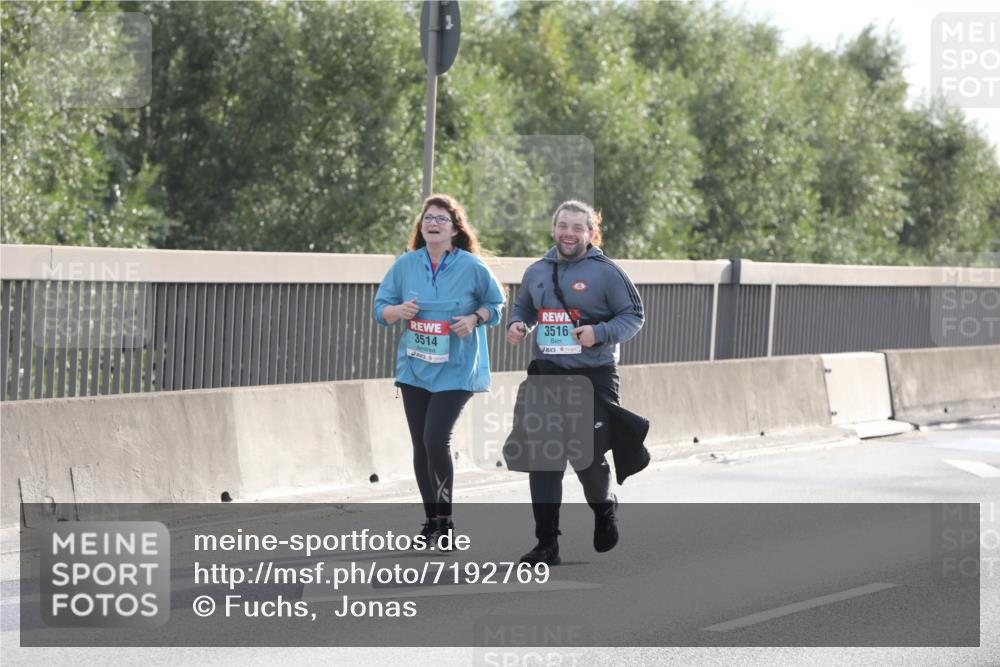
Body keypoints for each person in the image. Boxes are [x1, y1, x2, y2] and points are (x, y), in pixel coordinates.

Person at [505, 200, 647, 565]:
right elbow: (524, 307)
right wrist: (518, 325)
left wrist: (598, 332)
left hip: (592, 375)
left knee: (586, 456)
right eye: (563, 226)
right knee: (544, 458)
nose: (569, 233)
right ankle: (546, 543)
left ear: (590, 233)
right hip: (547, 373)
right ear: (554, 230)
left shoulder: (607, 273)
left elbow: (634, 316)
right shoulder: (537, 270)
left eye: (577, 227)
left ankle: (603, 508)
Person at [374, 194, 505, 541]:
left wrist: (475, 318)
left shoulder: (472, 267)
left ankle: (446, 522)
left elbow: (497, 305)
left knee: (436, 439)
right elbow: (380, 309)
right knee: (421, 445)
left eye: (440, 219)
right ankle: (431, 520)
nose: (432, 223)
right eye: (427, 218)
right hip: (415, 368)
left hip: (457, 368)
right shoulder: (405, 264)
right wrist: (397, 311)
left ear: (454, 229)